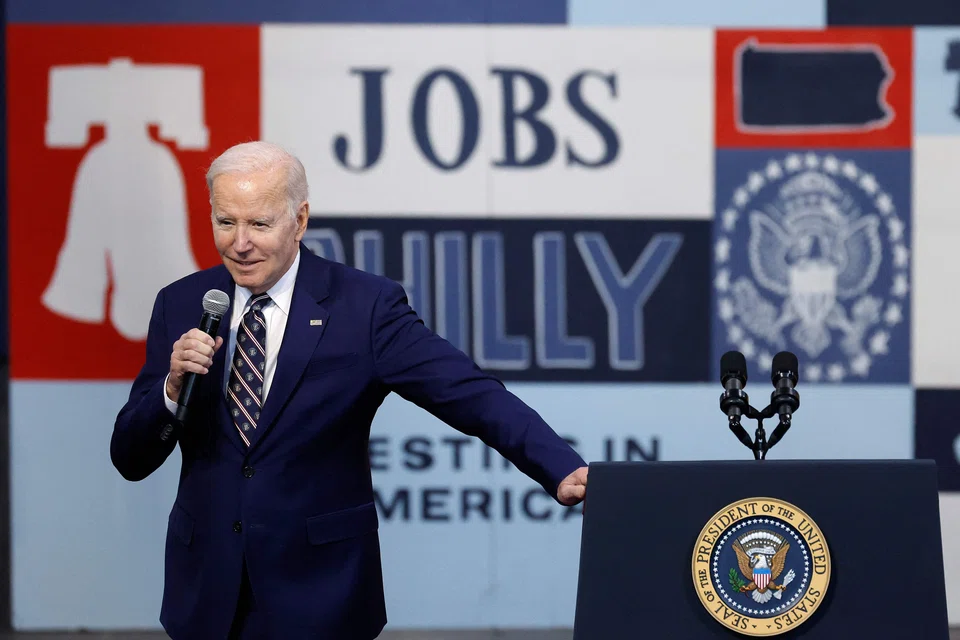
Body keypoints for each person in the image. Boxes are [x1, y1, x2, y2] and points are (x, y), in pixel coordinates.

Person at [110, 141, 589, 640]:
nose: (240, 243)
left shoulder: (365, 307)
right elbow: (130, 457)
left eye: (259, 224)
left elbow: (468, 392)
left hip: (321, 592)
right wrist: (170, 389)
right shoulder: (182, 302)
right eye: (226, 222)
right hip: (207, 592)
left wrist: (557, 465)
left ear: (300, 220)